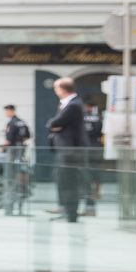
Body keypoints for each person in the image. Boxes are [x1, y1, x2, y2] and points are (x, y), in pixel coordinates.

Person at [46, 76, 86, 223]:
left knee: (69, 181)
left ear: (62, 89)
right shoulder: (68, 104)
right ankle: (66, 210)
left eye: (56, 88)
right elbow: (53, 124)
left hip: (70, 150)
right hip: (64, 149)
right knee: (62, 180)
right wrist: (54, 125)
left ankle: (71, 213)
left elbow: (54, 123)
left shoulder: (73, 105)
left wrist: (54, 125)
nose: (56, 91)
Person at [2, 103, 32, 215]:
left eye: (6, 111)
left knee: (10, 180)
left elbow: (8, 140)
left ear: (10, 111)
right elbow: (28, 136)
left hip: (13, 154)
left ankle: (9, 208)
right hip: (22, 154)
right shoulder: (22, 122)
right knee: (21, 179)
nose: (6, 113)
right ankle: (20, 208)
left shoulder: (11, 123)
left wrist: (2, 149)